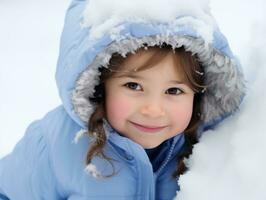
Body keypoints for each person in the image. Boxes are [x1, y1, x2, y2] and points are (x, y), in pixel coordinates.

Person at [0, 0, 246, 199]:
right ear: (100, 85)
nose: (153, 110)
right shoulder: (54, 144)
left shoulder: (213, 145)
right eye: (133, 85)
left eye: (173, 91)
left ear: (198, 93)